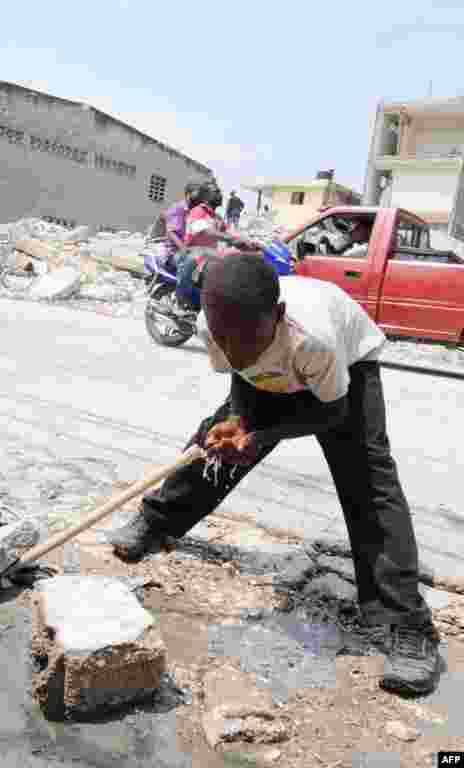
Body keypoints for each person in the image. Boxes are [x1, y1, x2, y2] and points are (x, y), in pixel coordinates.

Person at [110, 254, 440, 696]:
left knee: (368, 483)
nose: (236, 349)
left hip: (345, 376)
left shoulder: (313, 340)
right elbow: (242, 375)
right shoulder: (221, 330)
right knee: (215, 446)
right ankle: (155, 523)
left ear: (278, 315)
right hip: (274, 375)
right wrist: (242, 426)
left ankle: (407, 626)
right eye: (226, 339)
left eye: (246, 338)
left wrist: (263, 435)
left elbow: (332, 412)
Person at [175, 181, 256, 312]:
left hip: (209, 257)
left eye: (220, 192)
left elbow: (231, 234)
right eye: (216, 192)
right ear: (205, 196)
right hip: (194, 256)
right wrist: (230, 238)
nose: (220, 195)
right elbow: (204, 231)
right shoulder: (198, 211)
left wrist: (250, 244)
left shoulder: (217, 217)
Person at [161, 182, 200, 271]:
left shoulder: (194, 211)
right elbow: (171, 233)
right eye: (196, 197)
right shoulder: (178, 208)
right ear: (187, 195)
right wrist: (184, 250)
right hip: (173, 253)